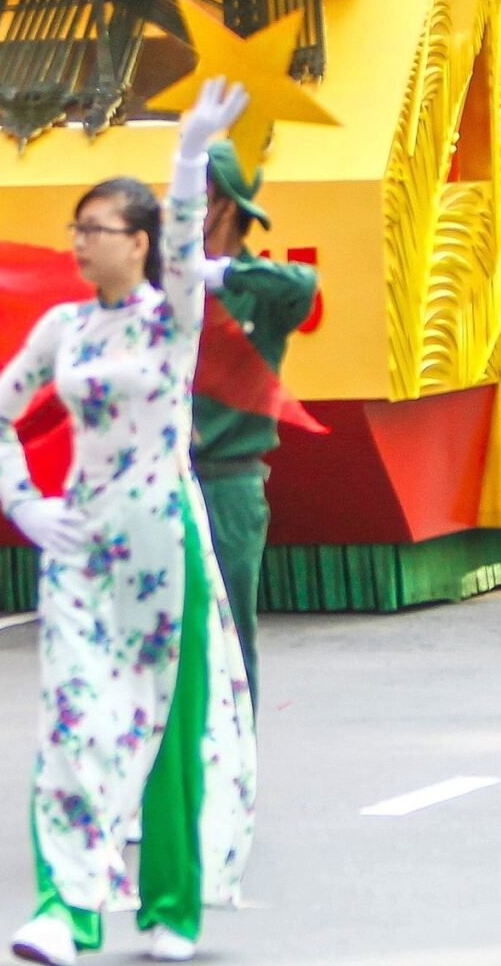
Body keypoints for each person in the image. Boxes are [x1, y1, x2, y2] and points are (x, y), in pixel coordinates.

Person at [0, 81, 256, 966]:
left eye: (95, 230)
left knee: (164, 722)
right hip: (81, 541)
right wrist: (24, 503)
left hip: (163, 539)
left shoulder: (171, 319)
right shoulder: (64, 327)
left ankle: (171, 910)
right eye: (75, 228)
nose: (79, 243)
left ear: (139, 244)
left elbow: (185, 241)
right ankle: (66, 909)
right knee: (72, 718)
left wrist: (185, 156)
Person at [195, 141, 318, 714]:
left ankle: (237, 758)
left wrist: (224, 272)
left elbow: (302, 286)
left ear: (224, 204)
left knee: (230, 633)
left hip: (229, 483)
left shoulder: (253, 289)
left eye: (201, 192)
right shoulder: (165, 280)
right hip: (163, 482)